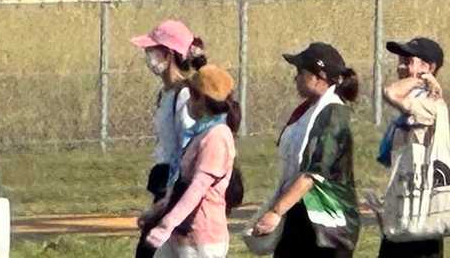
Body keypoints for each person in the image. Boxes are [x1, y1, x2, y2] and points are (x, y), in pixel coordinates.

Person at [250, 42, 360, 258]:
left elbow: (313, 173)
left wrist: (276, 212)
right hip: (301, 213)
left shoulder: (333, 114)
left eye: (301, 72)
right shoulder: (307, 111)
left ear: (320, 76)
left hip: (327, 225)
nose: (296, 78)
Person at [141, 64, 240, 258]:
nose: (187, 102)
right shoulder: (201, 132)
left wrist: (167, 224)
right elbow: (182, 182)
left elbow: (198, 187)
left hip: (201, 239)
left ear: (200, 98)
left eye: (191, 95)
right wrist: (158, 210)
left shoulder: (217, 136)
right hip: (180, 234)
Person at [131, 20, 203, 258]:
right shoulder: (165, 93)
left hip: (175, 183)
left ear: (169, 54)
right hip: (163, 179)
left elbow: (188, 148)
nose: (148, 56)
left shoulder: (184, 95)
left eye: (152, 50)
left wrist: (169, 197)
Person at [378, 37, 448, 258]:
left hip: (421, 210)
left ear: (429, 67)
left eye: (408, 61)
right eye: (400, 61)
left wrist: (420, 80)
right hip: (402, 205)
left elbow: (390, 92)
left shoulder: (430, 103)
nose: (401, 67)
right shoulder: (410, 105)